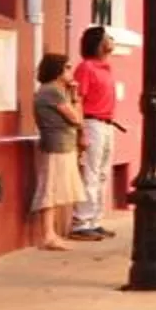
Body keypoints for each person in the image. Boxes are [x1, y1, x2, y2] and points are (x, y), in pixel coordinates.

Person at [69, 25, 126, 241]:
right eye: (108, 37)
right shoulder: (86, 68)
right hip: (92, 123)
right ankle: (81, 222)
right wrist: (81, 130)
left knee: (102, 173)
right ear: (99, 43)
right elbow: (78, 100)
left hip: (107, 124)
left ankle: (95, 220)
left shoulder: (106, 68)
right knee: (90, 173)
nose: (112, 40)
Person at [29, 52, 81, 251]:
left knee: (56, 188)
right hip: (56, 144)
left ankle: (52, 233)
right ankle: (48, 235)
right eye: (67, 67)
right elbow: (76, 119)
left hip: (61, 144)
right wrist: (75, 98)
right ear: (57, 70)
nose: (70, 71)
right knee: (50, 189)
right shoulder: (52, 92)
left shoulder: (53, 91)